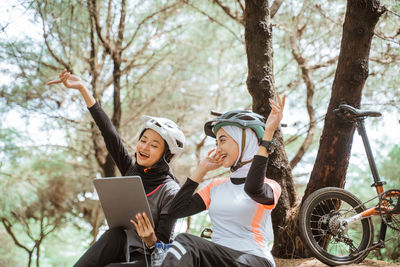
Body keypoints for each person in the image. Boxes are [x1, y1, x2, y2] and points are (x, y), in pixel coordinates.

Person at [47, 70, 185, 267]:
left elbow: (162, 248)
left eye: (154, 145)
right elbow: (110, 134)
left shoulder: (170, 191)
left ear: (166, 156)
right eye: (143, 140)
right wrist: (83, 89)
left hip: (146, 258)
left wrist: (151, 240)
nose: (144, 148)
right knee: (114, 234)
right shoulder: (132, 170)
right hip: (120, 243)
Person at [160, 94, 285, 267]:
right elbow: (175, 211)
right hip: (218, 258)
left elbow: (253, 189)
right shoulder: (215, 187)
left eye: (223, 140)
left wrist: (267, 137)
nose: (218, 148)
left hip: (254, 259)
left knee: (185, 243)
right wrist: (201, 170)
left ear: (245, 141)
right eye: (216, 143)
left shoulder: (271, 186)